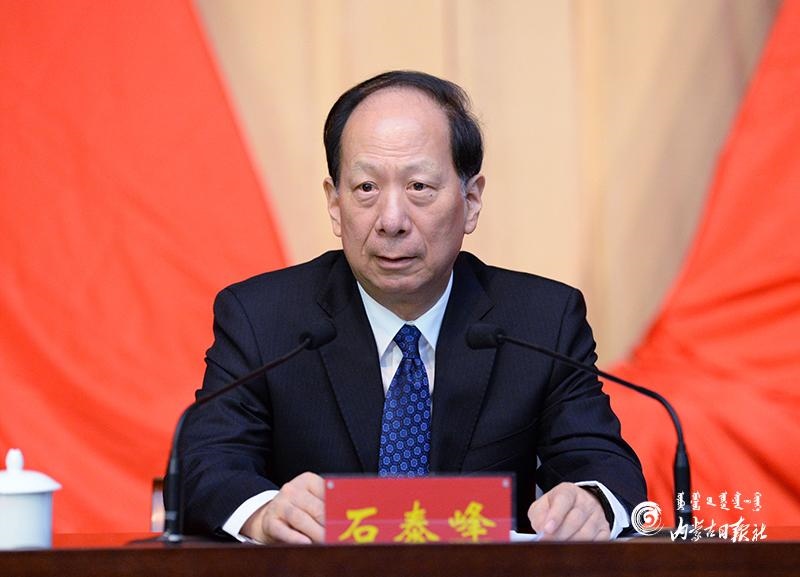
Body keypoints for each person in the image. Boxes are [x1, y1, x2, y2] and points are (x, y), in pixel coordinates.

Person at [178, 70, 646, 543]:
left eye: (419, 186)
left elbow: (603, 465)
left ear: (471, 200)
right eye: (366, 188)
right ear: (335, 204)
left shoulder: (540, 322)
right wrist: (264, 513)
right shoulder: (263, 319)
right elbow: (206, 464)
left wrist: (591, 503)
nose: (392, 220)